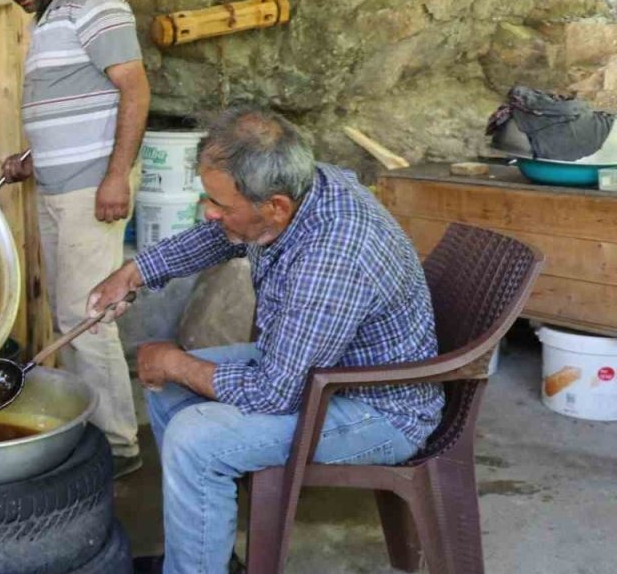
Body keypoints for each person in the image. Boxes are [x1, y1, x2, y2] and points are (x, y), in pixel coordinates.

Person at [87, 107, 445, 574]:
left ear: (275, 206)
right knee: (172, 391)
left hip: (377, 406)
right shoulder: (301, 188)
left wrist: (174, 361)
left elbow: (275, 392)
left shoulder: (331, 256)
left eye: (221, 204)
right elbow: (220, 236)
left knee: (195, 439)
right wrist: (135, 272)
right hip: (323, 366)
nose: (210, 212)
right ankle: (204, 556)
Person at [0, 0, 152, 477]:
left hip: (89, 190)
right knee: (70, 314)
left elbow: (134, 88)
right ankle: (89, 430)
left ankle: (118, 448)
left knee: (88, 316)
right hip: (58, 183)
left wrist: (117, 175)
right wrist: (33, 157)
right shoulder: (51, 20)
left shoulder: (95, 6)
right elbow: (75, 104)